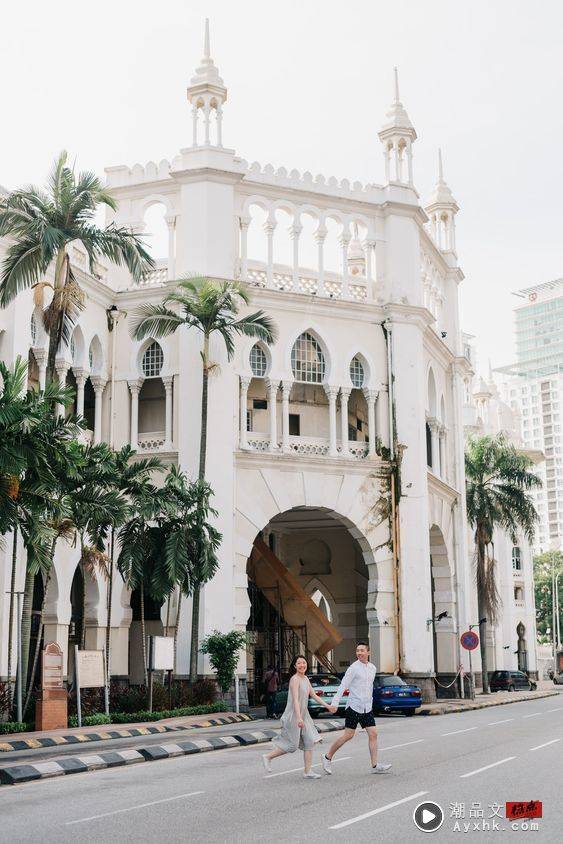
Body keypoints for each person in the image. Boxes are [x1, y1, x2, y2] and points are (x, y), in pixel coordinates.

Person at [322, 641, 391, 775]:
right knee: (348, 735)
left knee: (373, 734)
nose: (359, 653)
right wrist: (334, 703)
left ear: (368, 652)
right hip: (354, 706)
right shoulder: (353, 668)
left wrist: (370, 702)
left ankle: (374, 765)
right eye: (357, 650)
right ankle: (327, 757)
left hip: (367, 707)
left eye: (362, 650)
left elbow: (369, 687)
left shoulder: (372, 668)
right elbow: (343, 686)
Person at [262, 655, 334, 779]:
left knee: (309, 742)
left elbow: (314, 695)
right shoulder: (294, 679)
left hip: (304, 715)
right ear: (295, 666)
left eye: (304, 663)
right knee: (292, 746)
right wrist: (299, 718)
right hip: (294, 716)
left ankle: (307, 772)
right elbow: (295, 699)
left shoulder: (305, 678)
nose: (302, 665)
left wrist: (328, 706)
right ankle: (268, 757)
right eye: (299, 663)